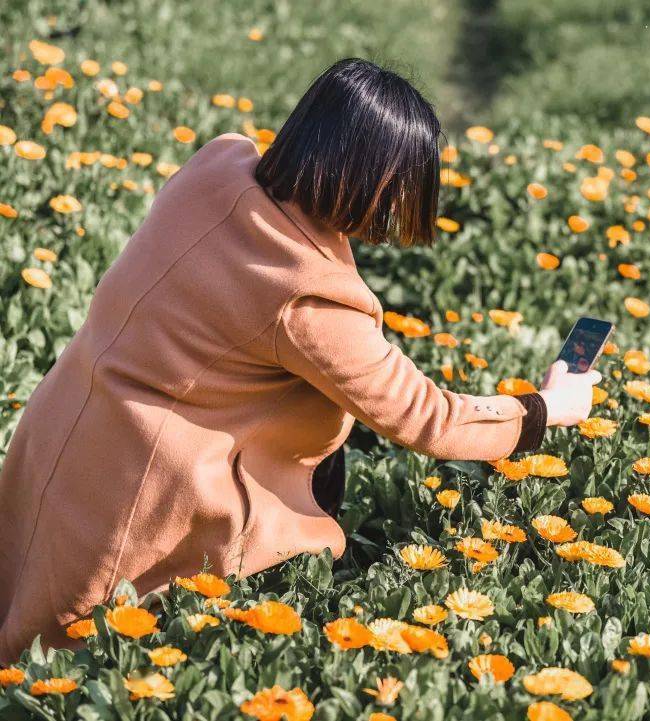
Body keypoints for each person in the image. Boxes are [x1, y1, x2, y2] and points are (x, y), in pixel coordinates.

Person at [0, 59, 601, 662]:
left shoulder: (219, 163)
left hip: (65, 430)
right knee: (68, 664)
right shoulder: (309, 296)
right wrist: (543, 409)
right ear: (371, 175)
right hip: (142, 500)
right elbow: (426, 419)